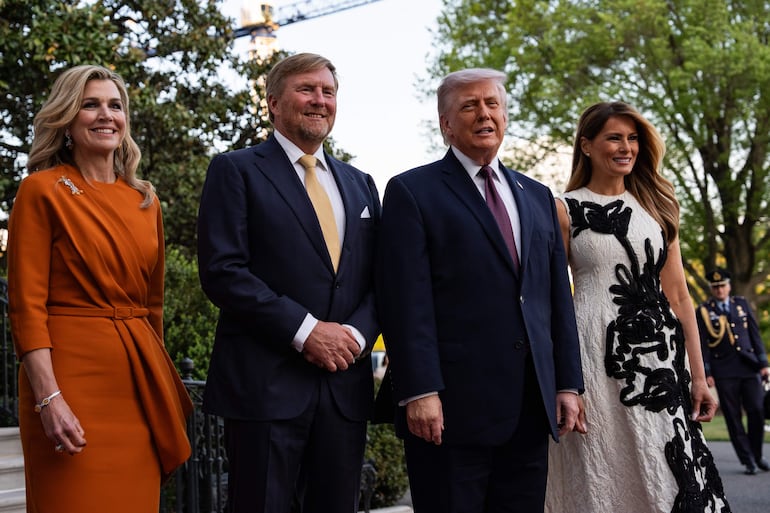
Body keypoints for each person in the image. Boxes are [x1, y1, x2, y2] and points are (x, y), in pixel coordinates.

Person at [375, 68, 584, 513]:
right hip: (450, 412)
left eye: (492, 104)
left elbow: (556, 299)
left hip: (530, 408)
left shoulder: (538, 196)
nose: (484, 114)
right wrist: (420, 391)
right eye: (469, 106)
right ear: (446, 124)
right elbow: (404, 303)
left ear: (505, 117)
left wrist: (567, 383)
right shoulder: (412, 191)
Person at [197, 53, 380, 513]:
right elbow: (223, 272)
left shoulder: (361, 183)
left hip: (344, 388)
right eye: (306, 89)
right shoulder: (235, 170)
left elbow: (383, 279)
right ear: (274, 103)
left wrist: (356, 336)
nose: (320, 100)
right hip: (265, 388)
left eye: (328, 92)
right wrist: (306, 331)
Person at [7, 65, 192, 512]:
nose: (106, 115)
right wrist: (49, 399)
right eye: (90, 105)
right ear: (67, 119)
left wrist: (159, 390)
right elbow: (26, 307)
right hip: (68, 384)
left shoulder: (145, 201)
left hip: (137, 383)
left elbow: (153, 307)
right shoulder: (41, 190)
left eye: (115, 105)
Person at [545, 101, 730, 512]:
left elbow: (680, 296)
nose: (626, 147)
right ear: (587, 145)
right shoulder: (562, 208)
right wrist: (565, 381)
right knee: (605, 463)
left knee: (670, 466)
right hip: (594, 353)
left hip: (662, 358)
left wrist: (699, 376)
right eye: (614, 138)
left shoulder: (659, 204)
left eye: (632, 139)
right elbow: (553, 297)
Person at [697, 268, 770, 475]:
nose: (719, 290)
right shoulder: (704, 311)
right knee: (733, 416)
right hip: (723, 371)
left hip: (749, 367)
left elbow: (754, 335)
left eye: (722, 286)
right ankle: (748, 461)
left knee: (757, 410)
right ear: (712, 289)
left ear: (729, 286)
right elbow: (702, 344)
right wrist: (707, 372)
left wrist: (763, 364)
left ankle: (757, 455)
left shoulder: (741, 304)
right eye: (715, 287)